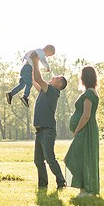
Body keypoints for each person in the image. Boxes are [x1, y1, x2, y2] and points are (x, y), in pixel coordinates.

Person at [29, 54, 67, 190]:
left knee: (50, 158)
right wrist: (32, 66)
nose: (53, 77)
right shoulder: (45, 90)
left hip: (47, 131)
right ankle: (42, 185)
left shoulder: (52, 91)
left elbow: (39, 79)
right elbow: (35, 80)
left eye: (56, 78)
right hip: (40, 131)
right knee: (38, 160)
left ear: (59, 84)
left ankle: (61, 182)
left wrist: (36, 61)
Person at [64, 66, 100, 197]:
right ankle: (84, 189)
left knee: (73, 158)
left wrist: (77, 130)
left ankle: (86, 189)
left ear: (84, 78)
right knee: (83, 158)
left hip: (86, 130)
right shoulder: (91, 92)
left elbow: (86, 115)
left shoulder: (89, 94)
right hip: (87, 129)